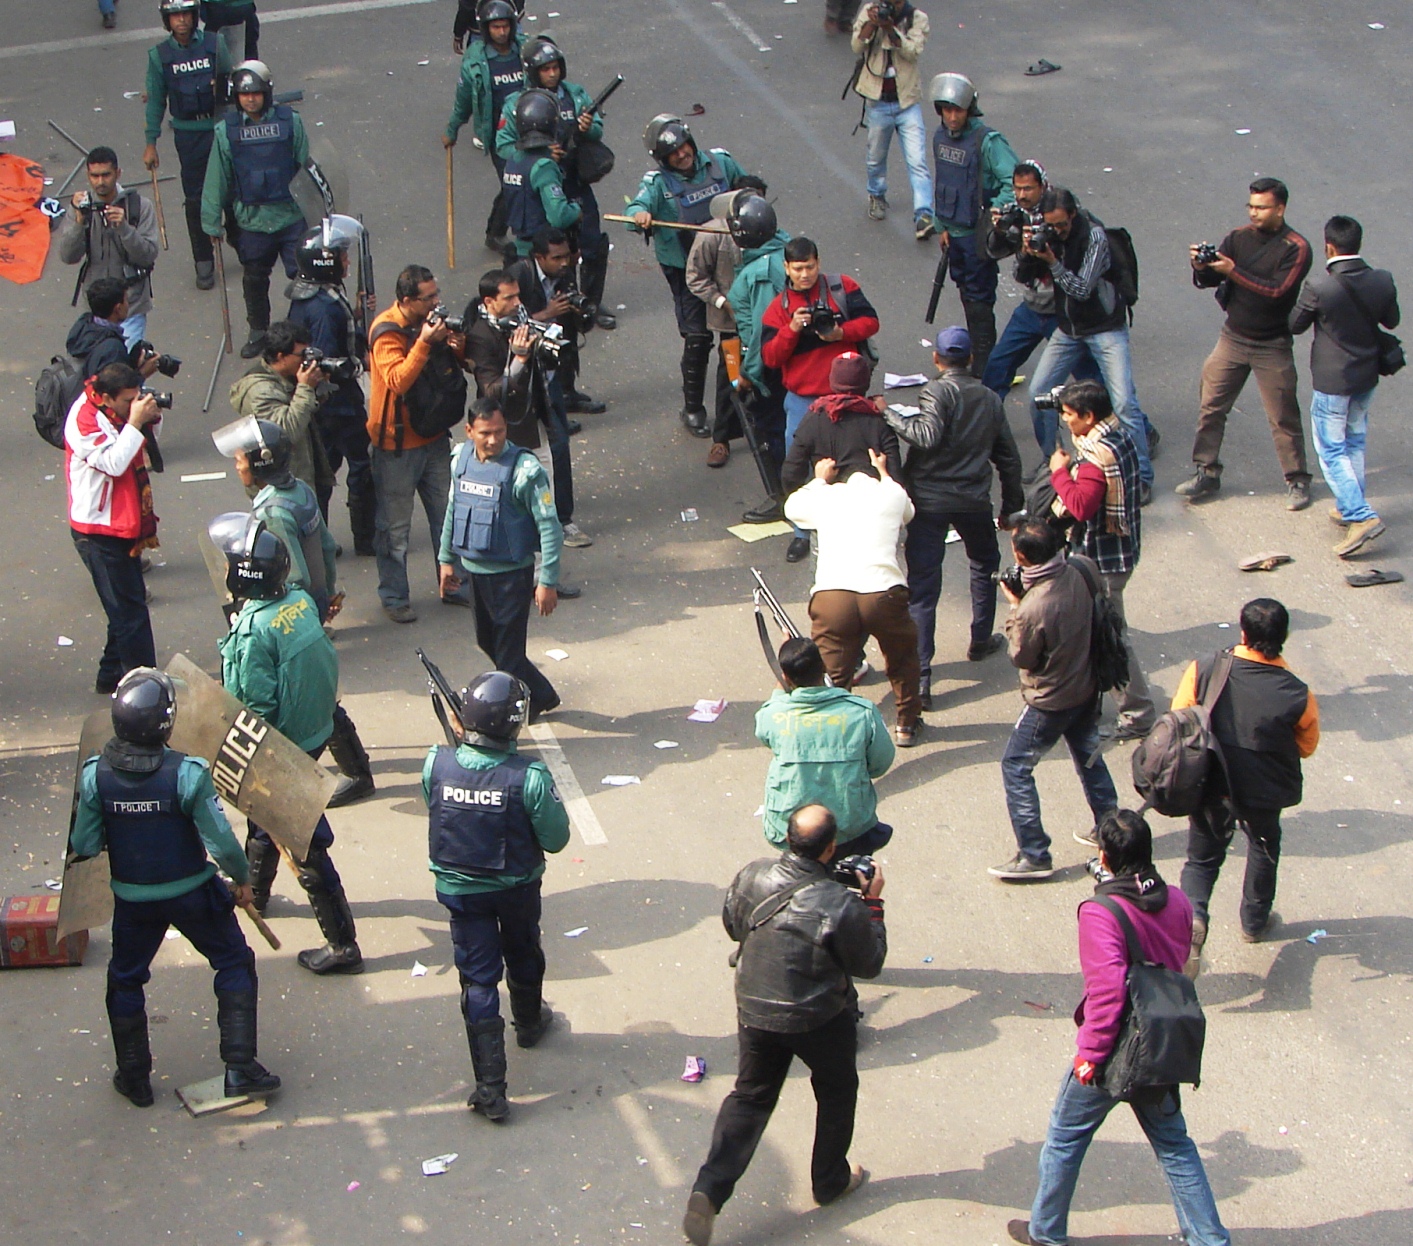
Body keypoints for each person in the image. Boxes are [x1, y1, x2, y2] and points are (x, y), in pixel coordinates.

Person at [1007, 810, 1230, 1246]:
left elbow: (1107, 991)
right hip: (1161, 1044)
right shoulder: (1178, 901)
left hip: (1114, 1049)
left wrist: (1090, 1055)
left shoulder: (1101, 912)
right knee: (1174, 1145)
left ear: (1105, 858)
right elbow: (1178, 962)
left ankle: (1046, 1233)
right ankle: (1209, 1239)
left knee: (1065, 1139)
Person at [70, 668, 281, 1105]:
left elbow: (84, 844)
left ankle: (134, 1078)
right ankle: (240, 1068)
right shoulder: (187, 773)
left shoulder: (95, 776)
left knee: (125, 980)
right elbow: (221, 842)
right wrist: (242, 880)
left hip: (133, 902)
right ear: (166, 723)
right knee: (234, 961)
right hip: (192, 894)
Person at [682, 803, 883, 1246]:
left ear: (788, 839)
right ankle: (829, 1180)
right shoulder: (839, 902)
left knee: (751, 1096)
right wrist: (873, 903)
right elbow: (869, 962)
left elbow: (734, 925)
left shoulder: (752, 875)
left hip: (756, 1005)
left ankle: (709, 1190)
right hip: (819, 1016)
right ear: (830, 848)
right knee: (836, 1090)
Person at [212, 512, 364, 974]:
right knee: (264, 821)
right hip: (314, 730)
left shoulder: (252, 633)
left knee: (306, 848)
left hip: (283, 748)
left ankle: (343, 945)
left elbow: (254, 707)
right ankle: (256, 891)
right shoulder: (297, 600)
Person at [425, 669, 569, 1122]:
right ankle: (528, 1023)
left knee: (477, 981)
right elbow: (557, 839)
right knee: (523, 952)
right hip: (517, 889)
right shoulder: (530, 777)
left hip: (461, 895)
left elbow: (436, 802)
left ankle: (490, 1089)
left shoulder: (436, 764)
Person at [213, 417, 376, 808]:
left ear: (260, 464)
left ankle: (350, 774)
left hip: (291, 610)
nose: (237, 465)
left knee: (305, 693)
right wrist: (327, 593)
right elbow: (326, 545)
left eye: (241, 459)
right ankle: (357, 770)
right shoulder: (300, 491)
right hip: (309, 605)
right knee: (321, 691)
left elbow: (292, 574)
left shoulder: (273, 511)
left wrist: (271, 612)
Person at [883, 326, 1022, 710]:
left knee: (924, 587)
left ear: (937, 358)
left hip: (929, 501)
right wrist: (1011, 506)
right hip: (973, 499)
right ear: (971, 358)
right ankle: (981, 638)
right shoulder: (989, 398)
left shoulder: (937, 391)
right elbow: (1008, 458)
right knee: (985, 565)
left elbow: (926, 436)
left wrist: (889, 414)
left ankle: (922, 677)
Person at [1177, 598, 1319, 965]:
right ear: (1284, 637)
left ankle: (1193, 917)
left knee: (1201, 860)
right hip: (1263, 789)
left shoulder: (1205, 669)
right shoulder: (1297, 693)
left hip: (1210, 782)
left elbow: (1180, 718)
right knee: (1263, 847)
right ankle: (1254, 922)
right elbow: (1307, 746)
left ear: (1243, 633)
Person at [990, 519, 1118, 881]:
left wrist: (1015, 608)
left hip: (1049, 700)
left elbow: (1021, 656)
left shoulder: (1033, 608)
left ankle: (1034, 853)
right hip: (1086, 686)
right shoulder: (1082, 568)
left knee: (1016, 766)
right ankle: (1110, 833)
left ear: (1021, 556)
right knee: (1089, 759)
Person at [1179, 177, 1314, 510]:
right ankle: (1206, 471)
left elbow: (1276, 291)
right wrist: (1201, 266)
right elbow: (1211, 279)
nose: (1254, 213)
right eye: (1251, 206)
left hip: (1272, 344)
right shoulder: (1238, 238)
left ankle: (1297, 479)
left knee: (1282, 416)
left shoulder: (1296, 247)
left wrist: (1233, 270)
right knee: (1211, 406)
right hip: (1233, 338)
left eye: (1262, 208)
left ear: (1280, 209)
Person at [438, 398, 566, 720]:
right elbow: (454, 509)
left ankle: (513, 715)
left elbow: (550, 527)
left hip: (512, 576)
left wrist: (547, 581)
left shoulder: (525, 471)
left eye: (499, 431)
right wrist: (445, 560)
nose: (493, 440)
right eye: (485, 433)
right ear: (469, 431)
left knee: (508, 657)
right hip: (476, 574)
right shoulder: (460, 461)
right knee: (488, 643)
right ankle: (543, 694)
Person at [785, 449, 923, 746]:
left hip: (833, 594)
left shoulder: (826, 496)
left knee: (832, 669)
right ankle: (907, 724)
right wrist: (885, 473)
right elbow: (908, 513)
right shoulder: (890, 493)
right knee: (902, 660)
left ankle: (836, 731)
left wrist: (818, 480)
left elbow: (792, 508)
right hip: (883, 592)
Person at [1025, 186, 1156, 496]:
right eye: (1050, 225)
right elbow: (1023, 275)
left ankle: (1141, 477)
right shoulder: (1046, 233)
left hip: (1104, 327)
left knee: (1123, 403)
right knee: (1038, 394)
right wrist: (1027, 251)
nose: (1056, 231)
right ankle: (1052, 460)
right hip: (1069, 329)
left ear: (1073, 215)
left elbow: (1082, 289)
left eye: (1061, 225)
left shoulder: (1094, 236)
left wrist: (1052, 262)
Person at [1046, 379, 1156, 743]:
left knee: (1112, 638)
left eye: (1069, 414)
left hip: (1103, 560)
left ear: (1089, 416)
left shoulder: (1095, 457)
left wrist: (1059, 472)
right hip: (1121, 550)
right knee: (1095, 631)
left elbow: (1080, 506)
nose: (1065, 420)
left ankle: (1137, 714)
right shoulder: (1118, 437)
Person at [626, 114, 749, 438]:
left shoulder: (721, 163)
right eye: (673, 154)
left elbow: (748, 191)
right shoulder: (657, 183)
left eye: (684, 147)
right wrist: (639, 215)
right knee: (698, 338)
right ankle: (693, 407)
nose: (682, 155)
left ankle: (737, 402)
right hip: (685, 269)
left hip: (729, 263)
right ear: (662, 159)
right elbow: (634, 208)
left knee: (734, 336)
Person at [761, 237, 880, 561]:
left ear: (818, 263)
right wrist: (791, 329)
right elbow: (770, 357)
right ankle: (802, 532)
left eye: (810, 267)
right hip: (802, 401)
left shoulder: (843, 288)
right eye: (798, 268)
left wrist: (841, 333)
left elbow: (871, 322)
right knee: (799, 467)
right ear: (786, 268)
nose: (805, 274)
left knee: (856, 464)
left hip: (847, 396)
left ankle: (857, 528)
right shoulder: (778, 309)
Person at [1289, 214, 1400, 558]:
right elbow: (1392, 320)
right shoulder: (1382, 279)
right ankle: (1349, 503)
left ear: (1329, 247)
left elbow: (1295, 324)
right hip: (1367, 375)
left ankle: (1360, 514)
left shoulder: (1320, 287)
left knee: (1331, 449)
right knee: (1354, 441)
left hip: (1332, 380)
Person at [366, 264, 470, 624]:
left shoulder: (431, 322)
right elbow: (397, 380)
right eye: (429, 298)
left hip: (434, 436)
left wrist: (456, 346)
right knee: (394, 529)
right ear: (408, 300)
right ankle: (394, 596)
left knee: (448, 517)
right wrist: (424, 343)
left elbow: (459, 366)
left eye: (436, 294)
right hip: (396, 447)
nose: (436, 302)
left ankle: (453, 584)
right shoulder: (386, 332)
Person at [466, 261, 590, 559]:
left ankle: (546, 569)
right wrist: (519, 359)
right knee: (515, 505)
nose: (517, 303)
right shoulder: (481, 335)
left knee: (543, 500)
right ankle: (525, 569)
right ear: (489, 301)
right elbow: (491, 391)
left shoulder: (521, 318)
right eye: (508, 298)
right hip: (506, 429)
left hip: (537, 418)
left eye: (517, 295)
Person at [495, 35, 615, 332]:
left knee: (592, 243)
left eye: (555, 68)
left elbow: (597, 130)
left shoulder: (575, 95)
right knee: (546, 250)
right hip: (542, 186)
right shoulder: (517, 105)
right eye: (545, 69)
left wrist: (588, 128)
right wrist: (539, 154)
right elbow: (503, 146)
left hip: (574, 180)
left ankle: (589, 303)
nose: (552, 74)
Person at [980, 161, 1101, 445]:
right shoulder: (1018, 215)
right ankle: (983, 428)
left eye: (1028, 189)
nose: (1022, 195)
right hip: (1032, 308)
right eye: (1017, 189)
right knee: (998, 366)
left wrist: (1050, 245)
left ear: (1043, 186)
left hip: (1063, 311)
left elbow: (1083, 261)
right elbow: (996, 253)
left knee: (1090, 379)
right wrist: (1001, 231)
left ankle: (1138, 428)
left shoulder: (1063, 215)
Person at [201, 59, 309, 358]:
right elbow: (217, 178)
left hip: (290, 216)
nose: (250, 99)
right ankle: (259, 332)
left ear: (267, 93)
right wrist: (212, 222)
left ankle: (302, 334)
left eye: (256, 93)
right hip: (252, 221)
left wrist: (318, 213)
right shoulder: (226, 131)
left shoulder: (291, 123)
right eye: (244, 94)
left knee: (305, 279)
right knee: (254, 280)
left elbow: (306, 168)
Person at [64, 363, 161, 695]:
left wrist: (148, 420)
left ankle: (110, 676)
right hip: (97, 530)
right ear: (106, 397)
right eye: (128, 401)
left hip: (119, 523)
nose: (134, 405)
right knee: (130, 613)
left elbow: (141, 447)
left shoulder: (112, 409)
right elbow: (114, 463)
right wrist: (135, 422)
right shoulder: (84, 419)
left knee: (123, 606)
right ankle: (144, 689)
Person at [286, 218, 376, 555]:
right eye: (342, 256)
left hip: (325, 404)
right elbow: (329, 361)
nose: (347, 261)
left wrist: (356, 315)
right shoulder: (323, 308)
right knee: (361, 465)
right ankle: (365, 537)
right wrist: (360, 365)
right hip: (337, 403)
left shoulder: (314, 294)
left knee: (324, 471)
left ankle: (318, 540)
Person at [756, 638, 895, 852]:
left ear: (785, 677)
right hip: (851, 829)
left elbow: (765, 732)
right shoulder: (862, 712)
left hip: (790, 832)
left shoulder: (772, 714)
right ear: (823, 668)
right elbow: (880, 764)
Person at [925, 73, 1017, 378]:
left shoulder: (987, 142)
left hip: (976, 237)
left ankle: (983, 369)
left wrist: (993, 213)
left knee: (979, 303)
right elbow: (945, 182)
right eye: (947, 110)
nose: (952, 117)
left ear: (969, 110)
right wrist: (942, 225)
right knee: (967, 294)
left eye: (958, 110)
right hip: (954, 235)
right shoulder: (941, 138)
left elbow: (1013, 180)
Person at [505, 233, 595, 540]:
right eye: (556, 258)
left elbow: (576, 325)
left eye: (566, 256)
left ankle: (563, 518)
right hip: (520, 382)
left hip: (550, 378)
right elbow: (503, 325)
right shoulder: (518, 279)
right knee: (516, 453)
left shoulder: (564, 275)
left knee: (559, 446)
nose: (564, 263)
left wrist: (580, 313)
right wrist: (546, 314)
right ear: (538, 258)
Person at [142, 0, 233, 290]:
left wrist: (225, 91)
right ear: (167, 21)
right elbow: (156, 101)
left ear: (194, 16)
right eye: (175, 16)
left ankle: (240, 240)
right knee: (195, 200)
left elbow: (234, 85)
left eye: (185, 14)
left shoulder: (215, 44)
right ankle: (203, 260)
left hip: (220, 129)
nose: (181, 20)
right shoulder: (160, 56)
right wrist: (151, 142)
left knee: (234, 188)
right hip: (188, 134)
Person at [686, 181, 771, 467]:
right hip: (730, 325)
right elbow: (695, 277)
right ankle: (721, 439)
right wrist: (723, 302)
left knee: (765, 376)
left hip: (764, 324)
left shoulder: (769, 232)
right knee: (731, 378)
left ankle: (763, 431)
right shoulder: (711, 235)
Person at [443, 0, 527, 252]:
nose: (501, 32)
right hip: (500, 136)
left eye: (505, 26)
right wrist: (452, 129)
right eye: (495, 27)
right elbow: (464, 99)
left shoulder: (526, 51)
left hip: (530, 130)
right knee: (513, 182)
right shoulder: (476, 60)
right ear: (486, 29)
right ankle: (498, 232)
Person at [57, 147, 160, 349]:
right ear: (87, 175)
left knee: (124, 363)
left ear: (118, 173)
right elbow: (68, 256)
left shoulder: (140, 206)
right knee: (100, 363)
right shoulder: (81, 207)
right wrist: (79, 223)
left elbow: (148, 255)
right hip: (95, 309)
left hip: (130, 305)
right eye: (94, 176)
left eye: (106, 175)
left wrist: (124, 229)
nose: (100, 182)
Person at [729, 203, 794, 521]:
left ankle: (785, 497)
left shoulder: (761, 274)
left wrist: (749, 373)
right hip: (789, 359)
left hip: (773, 367)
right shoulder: (782, 249)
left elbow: (762, 332)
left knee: (773, 431)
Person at [849, 2, 932, 238]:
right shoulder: (870, 11)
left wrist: (890, 29)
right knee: (875, 158)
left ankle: (924, 213)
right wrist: (872, 24)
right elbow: (856, 46)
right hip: (878, 102)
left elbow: (912, 52)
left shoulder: (916, 18)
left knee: (918, 161)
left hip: (907, 102)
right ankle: (876, 194)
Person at [228, 320, 333, 504]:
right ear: (281, 356)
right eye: (301, 355)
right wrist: (306, 388)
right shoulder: (260, 391)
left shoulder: (287, 377)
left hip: (305, 474)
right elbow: (287, 431)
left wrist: (318, 388)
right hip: (283, 489)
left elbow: (303, 411)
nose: (307, 360)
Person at [781, 351, 900, 490]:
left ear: (832, 381)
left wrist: (808, 491)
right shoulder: (879, 422)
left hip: (827, 498)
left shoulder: (813, 419)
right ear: (866, 382)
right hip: (871, 499)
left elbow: (791, 473)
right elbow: (895, 476)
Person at [499, 90, 583, 261]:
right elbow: (559, 216)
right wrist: (576, 211)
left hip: (520, 248)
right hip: (545, 253)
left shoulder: (514, 160)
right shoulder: (544, 166)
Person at [66, 278, 164, 383]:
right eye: (126, 300)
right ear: (118, 308)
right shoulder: (113, 349)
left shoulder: (84, 326)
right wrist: (142, 374)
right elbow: (114, 390)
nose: (128, 305)